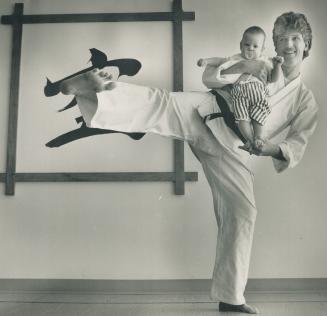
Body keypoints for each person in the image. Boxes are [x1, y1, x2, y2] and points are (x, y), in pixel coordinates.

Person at [59, 12, 318, 314]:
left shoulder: (304, 100)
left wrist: (271, 148)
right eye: (282, 39)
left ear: (306, 45)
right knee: (160, 103)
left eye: (295, 39)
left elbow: (297, 141)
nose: (288, 45)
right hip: (207, 110)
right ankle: (95, 88)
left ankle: (231, 297)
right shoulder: (260, 64)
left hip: (233, 148)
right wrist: (236, 65)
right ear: (273, 43)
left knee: (243, 212)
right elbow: (217, 73)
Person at [198, 26, 284, 152]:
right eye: (247, 44)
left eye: (255, 46)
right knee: (241, 118)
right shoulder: (236, 58)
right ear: (240, 45)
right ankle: (250, 140)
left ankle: (259, 137)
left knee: (259, 114)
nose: (250, 48)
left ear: (262, 49)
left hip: (258, 93)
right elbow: (219, 61)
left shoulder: (265, 61)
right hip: (239, 94)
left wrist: (277, 66)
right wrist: (206, 61)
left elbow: (273, 79)